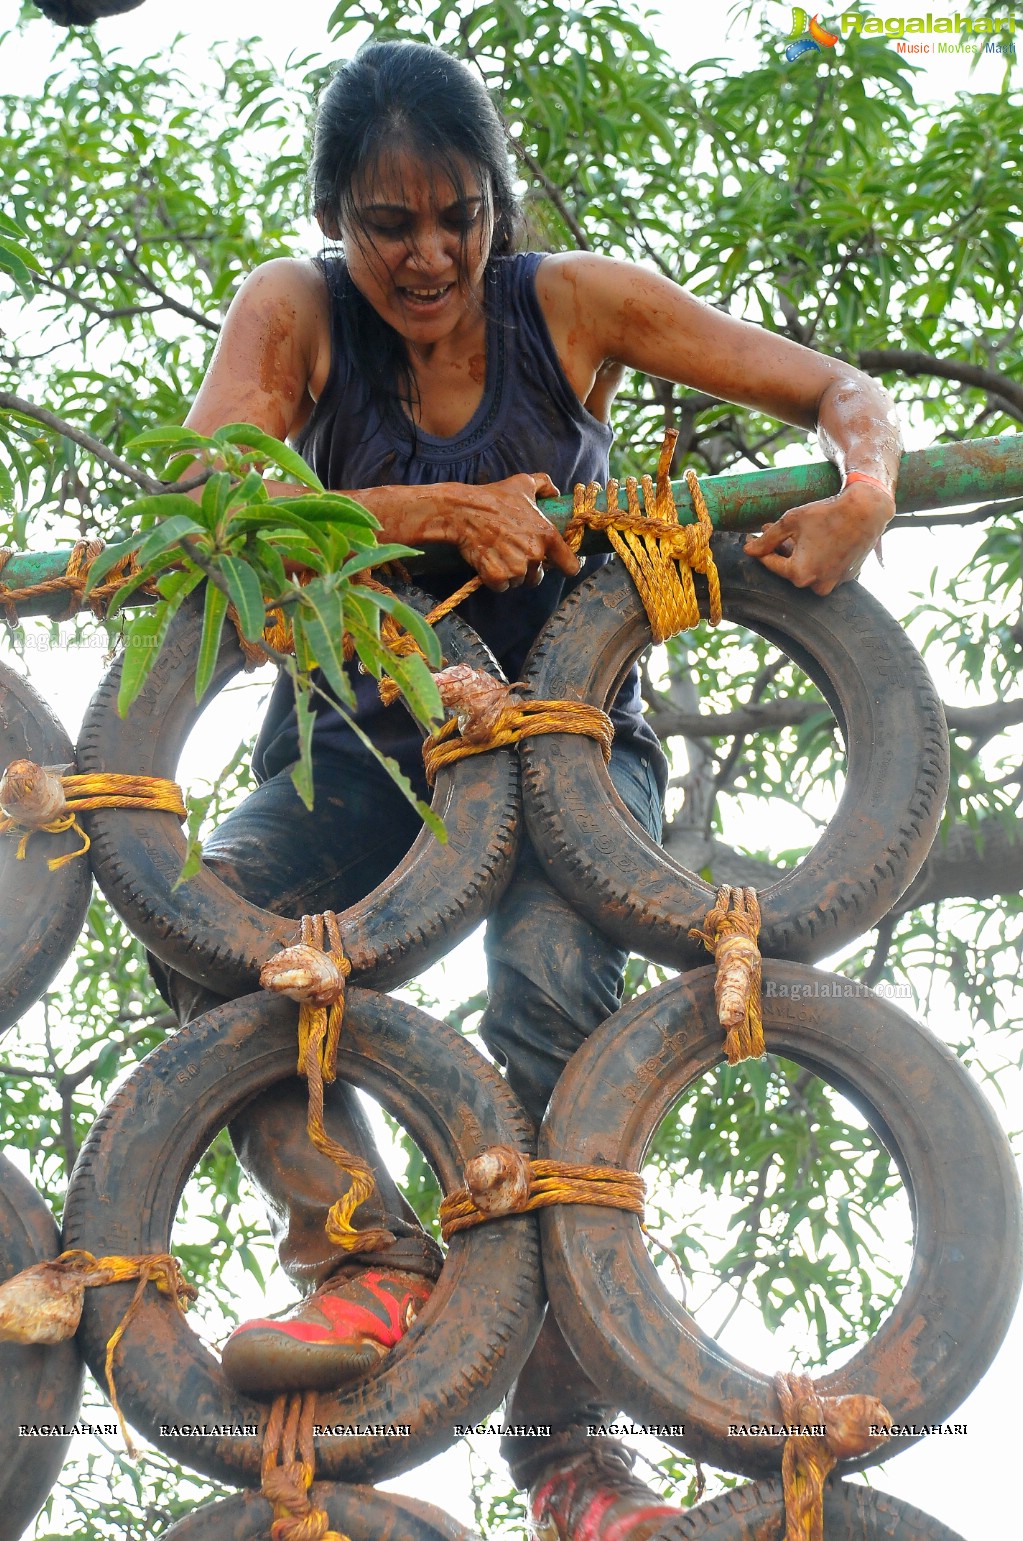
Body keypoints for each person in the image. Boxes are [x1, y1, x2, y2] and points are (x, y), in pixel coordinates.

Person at [152, 39, 902, 1541]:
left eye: (458, 215)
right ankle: (364, 1252)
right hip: (366, 733)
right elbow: (212, 494)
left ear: (497, 203)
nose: (428, 254)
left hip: (564, 733)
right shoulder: (292, 313)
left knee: (558, 999)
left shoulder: (569, 305)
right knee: (207, 916)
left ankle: (568, 1453)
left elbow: (839, 389)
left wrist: (866, 488)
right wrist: (430, 508)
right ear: (335, 218)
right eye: (387, 223)